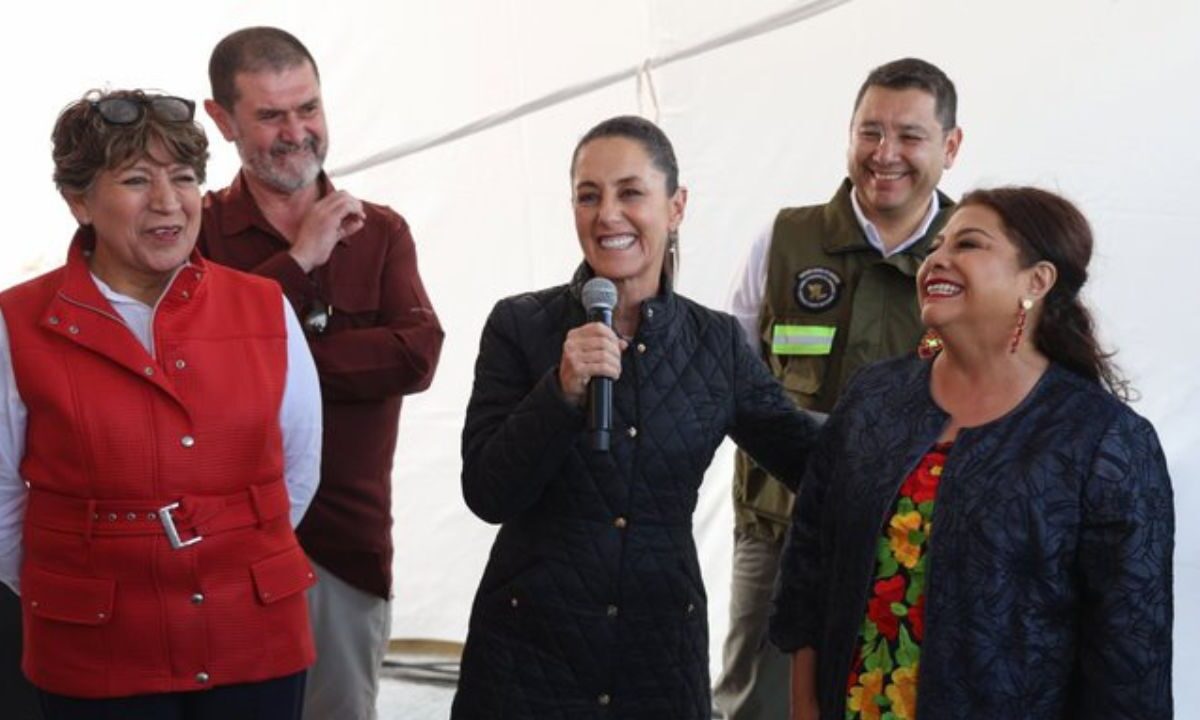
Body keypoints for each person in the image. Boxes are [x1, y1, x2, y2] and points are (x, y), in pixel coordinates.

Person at [451, 115, 821, 719]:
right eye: (588, 195)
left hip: (658, 658)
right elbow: (488, 492)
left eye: (630, 193)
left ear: (675, 207)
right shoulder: (519, 326)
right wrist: (560, 393)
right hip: (528, 659)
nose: (607, 215)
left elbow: (809, 458)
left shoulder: (717, 345)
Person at [770, 187, 1174, 719]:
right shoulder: (874, 397)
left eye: (969, 245)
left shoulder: (1104, 440)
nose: (938, 258)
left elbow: (1129, 658)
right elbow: (809, 570)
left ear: (1037, 281)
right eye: (938, 245)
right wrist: (804, 706)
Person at [0, 89, 322, 718]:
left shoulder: (264, 307)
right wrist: (67, 588)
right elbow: (1, 501)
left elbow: (299, 471)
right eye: (136, 180)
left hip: (253, 634)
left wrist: (238, 556)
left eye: (183, 178)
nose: (168, 202)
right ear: (78, 200)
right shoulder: (17, 323)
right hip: (95, 648)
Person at [198, 26, 444, 720]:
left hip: (346, 548)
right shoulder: (199, 232)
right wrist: (297, 264)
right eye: (270, 115)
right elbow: (199, 368)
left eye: (308, 108)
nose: (296, 132)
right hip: (221, 556)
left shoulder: (382, 231)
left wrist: (272, 356)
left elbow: (418, 355)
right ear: (221, 120)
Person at [717, 57, 962, 719]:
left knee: (904, 697)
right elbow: (732, 379)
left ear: (951, 146)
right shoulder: (786, 239)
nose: (885, 154)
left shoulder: (977, 252)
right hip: (778, 524)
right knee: (758, 703)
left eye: (910, 136)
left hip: (925, 532)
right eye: (869, 132)